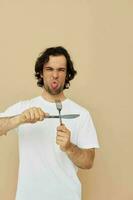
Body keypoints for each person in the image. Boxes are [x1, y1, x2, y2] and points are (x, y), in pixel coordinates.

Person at [0, 46, 99, 200]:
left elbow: (88, 162)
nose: (55, 75)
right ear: (41, 72)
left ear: (67, 74)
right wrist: (19, 119)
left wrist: (69, 147)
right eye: (49, 69)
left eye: (61, 70)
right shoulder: (23, 108)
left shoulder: (82, 114)